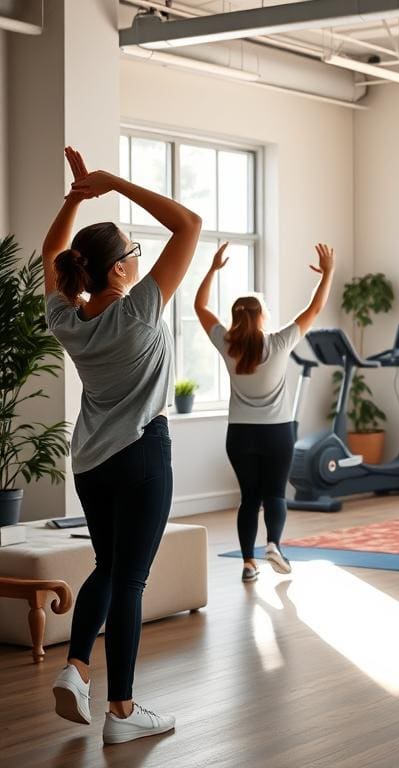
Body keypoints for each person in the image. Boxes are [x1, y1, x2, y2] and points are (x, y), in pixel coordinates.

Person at [46, 147, 201, 743]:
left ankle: (76, 668)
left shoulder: (69, 319)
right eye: (133, 254)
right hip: (141, 453)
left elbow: (50, 257)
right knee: (131, 580)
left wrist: (75, 199)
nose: (140, 260)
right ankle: (123, 713)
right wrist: (113, 184)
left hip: (90, 461)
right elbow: (188, 224)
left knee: (107, 567)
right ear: (116, 270)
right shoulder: (139, 311)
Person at [195, 243, 335, 583]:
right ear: (260, 316)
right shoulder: (279, 341)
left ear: (236, 317)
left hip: (240, 434)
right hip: (276, 432)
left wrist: (212, 269)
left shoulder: (227, 343)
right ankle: (273, 544)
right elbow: (315, 308)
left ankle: (248, 563)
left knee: (249, 499)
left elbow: (199, 306)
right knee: (274, 494)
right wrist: (328, 272)